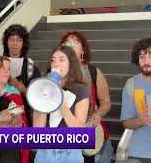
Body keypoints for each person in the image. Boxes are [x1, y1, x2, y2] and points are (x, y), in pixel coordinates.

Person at [60, 31, 113, 163]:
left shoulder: (94, 72)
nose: (71, 45)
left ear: (83, 50)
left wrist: (98, 114)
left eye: (76, 42)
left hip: (91, 132)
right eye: (67, 42)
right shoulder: (55, 73)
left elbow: (106, 101)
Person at [33, 45, 89, 163]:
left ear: (71, 64)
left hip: (70, 153)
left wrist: (61, 103)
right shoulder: (41, 88)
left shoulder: (80, 90)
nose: (55, 64)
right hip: (45, 152)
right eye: (53, 60)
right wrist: (45, 95)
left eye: (61, 59)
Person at [2, 24, 41, 127]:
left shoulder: (31, 67)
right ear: (6, 42)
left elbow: (39, 98)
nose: (15, 43)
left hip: (25, 118)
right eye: (11, 39)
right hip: (1, 117)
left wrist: (22, 89)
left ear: (24, 43)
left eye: (19, 40)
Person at [120, 38, 151, 162]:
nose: (146, 61)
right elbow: (126, 123)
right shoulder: (131, 84)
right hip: (137, 153)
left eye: (150, 56)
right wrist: (140, 120)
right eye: (142, 57)